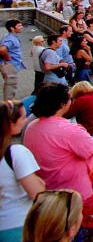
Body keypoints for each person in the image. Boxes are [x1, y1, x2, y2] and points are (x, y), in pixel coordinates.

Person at [23, 82, 93, 200]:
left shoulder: (31, 127)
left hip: (46, 190)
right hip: (73, 193)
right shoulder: (70, 130)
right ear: (62, 104)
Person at [0, 100, 45, 241]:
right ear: (10, 123)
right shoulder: (16, 153)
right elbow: (37, 194)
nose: (25, 121)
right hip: (16, 225)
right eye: (23, 117)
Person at [1, 20, 25, 100]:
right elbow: (2, 50)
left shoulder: (11, 36)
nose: (21, 27)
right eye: (19, 26)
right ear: (12, 28)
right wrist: (7, 57)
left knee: (10, 85)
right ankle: (8, 106)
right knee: (10, 85)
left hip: (9, 65)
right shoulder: (10, 38)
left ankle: (8, 102)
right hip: (9, 65)